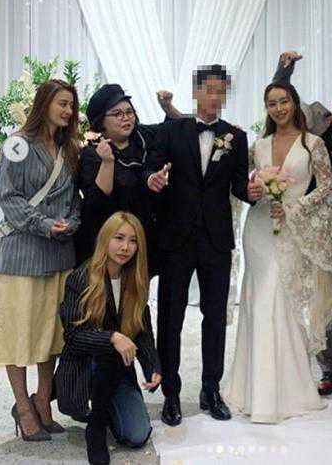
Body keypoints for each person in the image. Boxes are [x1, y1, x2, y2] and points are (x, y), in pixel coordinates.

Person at [146, 65, 263, 427]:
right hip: (176, 237)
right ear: (196, 92)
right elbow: (152, 169)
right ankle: (171, 393)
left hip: (216, 239)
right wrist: (153, 180)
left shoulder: (235, 137)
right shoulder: (171, 130)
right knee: (171, 317)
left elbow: (239, 187)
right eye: (209, 90)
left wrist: (253, 192)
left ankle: (211, 390)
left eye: (221, 91)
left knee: (215, 317)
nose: (215, 97)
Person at [223, 81, 332, 423]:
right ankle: (253, 390)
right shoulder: (259, 145)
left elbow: (327, 186)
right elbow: (239, 180)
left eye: (284, 101)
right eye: (272, 103)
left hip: (292, 229)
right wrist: (252, 187)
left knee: (280, 301)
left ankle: (285, 390)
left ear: (294, 102)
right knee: (258, 300)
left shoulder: (313, 143)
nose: (279, 108)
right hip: (259, 228)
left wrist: (294, 207)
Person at [272, 51, 332, 401]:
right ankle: (329, 369)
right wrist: (285, 69)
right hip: (308, 226)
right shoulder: (314, 117)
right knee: (317, 301)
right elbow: (282, 100)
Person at [0, 79, 80, 441]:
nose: (68, 111)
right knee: (19, 335)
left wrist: (72, 222)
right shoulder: (17, 145)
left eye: (71, 106)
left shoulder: (69, 147)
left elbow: (74, 199)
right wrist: (45, 225)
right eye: (62, 104)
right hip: (22, 255)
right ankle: (23, 406)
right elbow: (8, 197)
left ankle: (43, 400)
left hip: (60, 254)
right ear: (44, 103)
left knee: (51, 334)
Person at [55, 211, 161, 465]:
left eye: (133, 241)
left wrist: (152, 366)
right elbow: (73, 337)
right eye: (119, 238)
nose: (125, 247)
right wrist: (112, 337)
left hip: (116, 371)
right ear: (105, 239)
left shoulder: (135, 280)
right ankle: (96, 428)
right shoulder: (81, 277)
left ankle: (104, 411)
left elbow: (142, 330)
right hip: (84, 366)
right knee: (110, 350)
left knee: (137, 435)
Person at [74, 84, 160, 275]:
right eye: (117, 114)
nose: (126, 118)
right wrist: (107, 162)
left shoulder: (144, 140)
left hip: (140, 242)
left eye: (129, 112)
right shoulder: (92, 153)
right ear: (101, 122)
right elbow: (95, 202)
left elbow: (176, 129)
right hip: (104, 244)